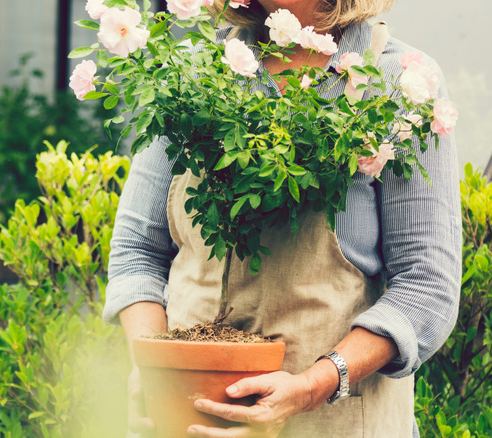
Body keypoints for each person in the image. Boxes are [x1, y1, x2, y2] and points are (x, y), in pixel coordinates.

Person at [103, 0, 462, 436]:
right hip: (189, 418)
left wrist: (313, 385)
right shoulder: (191, 76)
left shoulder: (401, 83)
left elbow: (427, 286)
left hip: (331, 421)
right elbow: (137, 251)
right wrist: (154, 366)